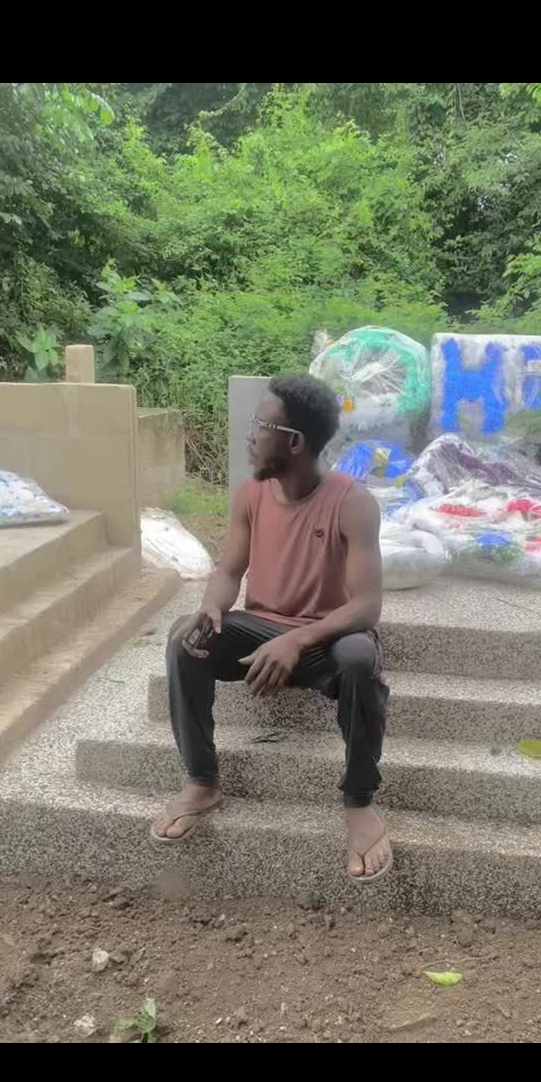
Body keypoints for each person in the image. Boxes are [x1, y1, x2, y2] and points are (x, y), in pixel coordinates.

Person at [152, 373, 393, 883]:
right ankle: (202, 780)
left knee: (360, 660)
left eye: (261, 427)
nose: (249, 436)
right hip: (261, 632)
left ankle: (359, 801)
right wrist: (212, 607)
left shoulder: (353, 502)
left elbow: (367, 606)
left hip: (326, 638)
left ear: (295, 442)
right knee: (185, 639)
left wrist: (298, 638)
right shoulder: (250, 496)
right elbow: (228, 570)